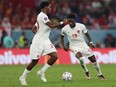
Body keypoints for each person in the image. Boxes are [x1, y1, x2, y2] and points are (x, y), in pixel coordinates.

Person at [19, 1, 66, 86]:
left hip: (45, 41)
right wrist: (62, 22)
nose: (51, 9)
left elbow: (34, 29)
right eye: (49, 7)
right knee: (34, 61)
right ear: (45, 7)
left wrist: (40, 32)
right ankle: (22, 77)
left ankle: (41, 72)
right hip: (38, 42)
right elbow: (51, 26)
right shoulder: (42, 16)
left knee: (55, 56)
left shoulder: (41, 17)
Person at [61, 13, 106, 80]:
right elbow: (61, 37)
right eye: (69, 21)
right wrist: (63, 45)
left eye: (71, 21)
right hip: (73, 46)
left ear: (74, 20)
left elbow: (87, 34)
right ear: (67, 20)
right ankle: (86, 71)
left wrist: (90, 42)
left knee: (94, 60)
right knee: (81, 58)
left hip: (83, 45)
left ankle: (100, 74)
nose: (70, 22)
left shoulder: (81, 26)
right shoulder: (64, 29)